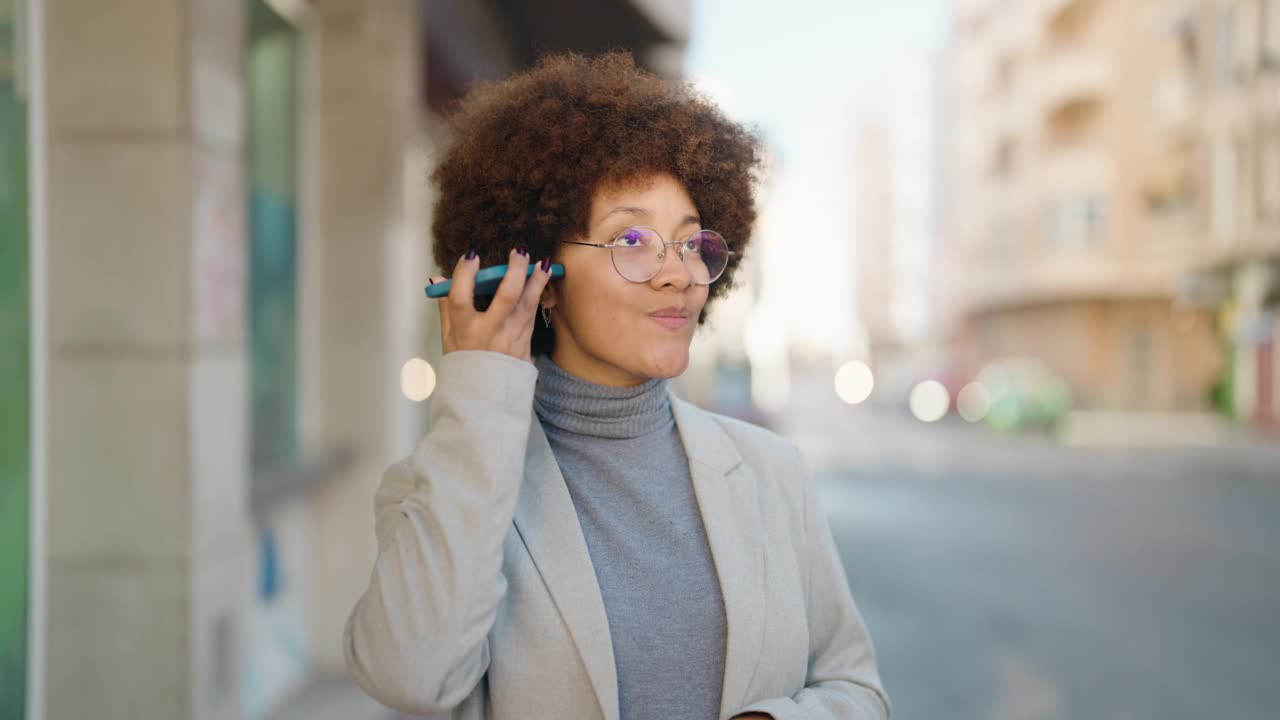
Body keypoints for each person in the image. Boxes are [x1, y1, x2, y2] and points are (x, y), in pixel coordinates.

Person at [343, 51, 890, 720]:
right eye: (632, 239)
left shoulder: (774, 474)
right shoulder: (442, 487)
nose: (678, 273)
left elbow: (856, 687)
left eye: (692, 243)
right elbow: (408, 678)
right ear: (539, 273)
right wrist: (482, 391)